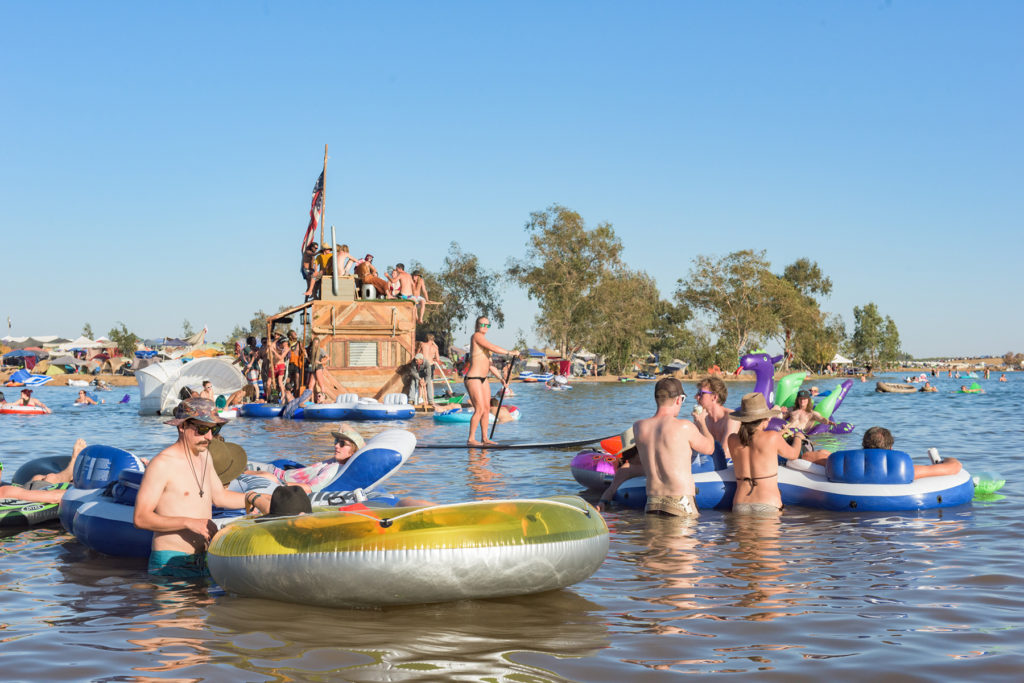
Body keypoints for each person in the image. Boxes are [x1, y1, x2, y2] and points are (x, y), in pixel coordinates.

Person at [133, 398, 252, 578]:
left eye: (214, 429)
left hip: (204, 559)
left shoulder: (205, 457)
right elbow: (141, 518)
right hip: (171, 562)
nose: (209, 437)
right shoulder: (161, 464)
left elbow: (220, 497)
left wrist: (253, 497)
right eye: (202, 429)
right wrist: (188, 522)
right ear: (182, 426)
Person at [598, 378, 714, 517]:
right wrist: (702, 423)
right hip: (680, 500)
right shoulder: (684, 426)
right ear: (678, 399)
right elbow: (710, 448)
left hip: (652, 502)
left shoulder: (639, 427)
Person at [727, 393, 805, 516]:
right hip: (767, 504)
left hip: (740, 505)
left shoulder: (732, 439)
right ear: (765, 418)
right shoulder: (772, 437)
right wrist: (799, 437)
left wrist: (778, 436)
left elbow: (752, 443)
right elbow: (794, 454)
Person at [464, 316, 513, 446]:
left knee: (486, 409)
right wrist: (510, 353)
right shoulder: (476, 336)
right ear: (477, 325)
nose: (485, 327)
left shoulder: (483, 341)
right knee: (479, 409)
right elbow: (493, 347)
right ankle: (471, 439)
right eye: (482, 324)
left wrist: (501, 379)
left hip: (484, 379)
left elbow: (490, 365)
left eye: (487, 325)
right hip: (473, 378)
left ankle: (485, 438)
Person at [691, 377, 737, 459]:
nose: (696, 397)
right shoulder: (702, 418)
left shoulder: (731, 418)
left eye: (701, 393)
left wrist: (702, 425)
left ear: (714, 397)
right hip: (713, 463)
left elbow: (725, 455)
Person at [415, 333, 442, 405]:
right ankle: (431, 399)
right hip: (431, 364)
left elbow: (417, 355)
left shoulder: (422, 344)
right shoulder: (435, 348)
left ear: (426, 338)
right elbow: (438, 359)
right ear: (433, 340)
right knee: (430, 382)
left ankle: (421, 399)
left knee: (421, 381)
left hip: (423, 364)